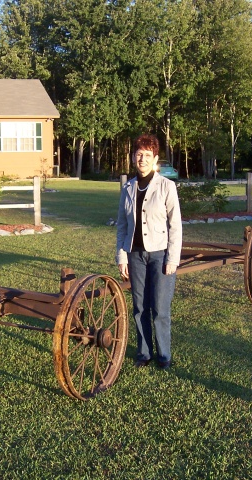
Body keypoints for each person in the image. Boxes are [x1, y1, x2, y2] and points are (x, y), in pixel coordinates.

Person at [115, 134, 182, 370]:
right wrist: (122, 256)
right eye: (138, 154)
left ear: (155, 159)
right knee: (140, 307)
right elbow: (122, 226)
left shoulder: (166, 187)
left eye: (147, 155)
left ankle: (164, 355)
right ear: (133, 157)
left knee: (160, 309)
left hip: (160, 255)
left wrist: (172, 258)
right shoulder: (128, 188)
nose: (142, 159)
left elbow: (175, 225)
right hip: (135, 256)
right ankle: (144, 353)